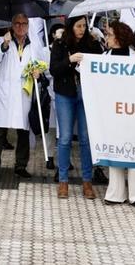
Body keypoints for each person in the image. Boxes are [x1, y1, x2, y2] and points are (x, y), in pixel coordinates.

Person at [0, 14, 45, 182]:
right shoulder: (2, 40)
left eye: (24, 24)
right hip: (5, 93)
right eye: (17, 23)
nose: (20, 27)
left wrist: (38, 73)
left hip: (23, 93)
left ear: (28, 25)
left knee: (23, 132)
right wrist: (4, 45)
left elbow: (42, 64)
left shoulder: (34, 44)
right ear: (12, 25)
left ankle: (20, 166)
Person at [50, 14, 102, 200]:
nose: (81, 29)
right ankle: (63, 181)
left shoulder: (92, 44)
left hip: (86, 94)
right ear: (71, 26)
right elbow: (53, 69)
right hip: (65, 93)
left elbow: (101, 66)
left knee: (85, 138)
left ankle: (87, 181)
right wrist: (69, 60)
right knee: (64, 138)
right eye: (78, 26)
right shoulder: (60, 44)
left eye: (84, 26)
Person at [102, 22, 135, 208]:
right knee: (115, 150)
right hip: (112, 112)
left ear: (119, 36)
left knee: (134, 153)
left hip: (132, 112)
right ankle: (115, 193)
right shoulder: (104, 57)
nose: (107, 38)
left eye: (109, 34)